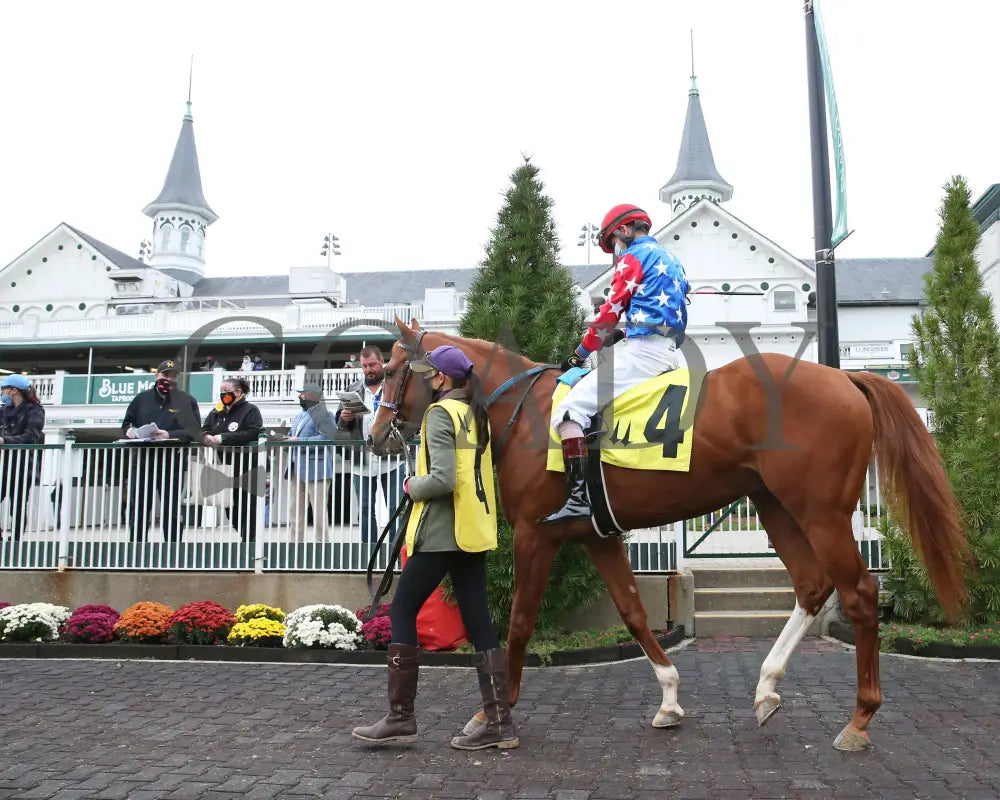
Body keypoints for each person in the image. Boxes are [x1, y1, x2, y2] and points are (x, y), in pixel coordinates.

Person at [352, 345, 518, 750]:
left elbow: (443, 480)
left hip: (442, 530)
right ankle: (500, 722)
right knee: (478, 620)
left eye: (429, 374)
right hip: (471, 530)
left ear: (441, 378)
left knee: (403, 609)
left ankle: (400, 717)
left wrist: (412, 485)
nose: (425, 380)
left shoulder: (441, 413)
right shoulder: (475, 413)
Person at [541, 204, 689, 525]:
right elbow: (656, 309)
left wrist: (580, 354)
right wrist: (623, 332)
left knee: (569, 411)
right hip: (670, 354)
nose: (616, 249)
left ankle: (578, 498)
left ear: (624, 230)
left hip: (644, 355)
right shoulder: (671, 259)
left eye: (614, 242)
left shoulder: (633, 257)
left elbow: (610, 310)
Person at [121, 360, 202, 542]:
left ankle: (173, 548)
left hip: (172, 463)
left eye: (174, 376)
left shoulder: (187, 401)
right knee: (139, 507)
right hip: (143, 462)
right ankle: (137, 546)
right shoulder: (141, 399)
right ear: (157, 376)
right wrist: (129, 431)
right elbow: (126, 423)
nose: (170, 379)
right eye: (166, 375)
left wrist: (169, 434)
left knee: (171, 508)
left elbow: (195, 429)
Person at [336, 346, 405, 542]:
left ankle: (393, 550)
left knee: (395, 508)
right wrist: (344, 419)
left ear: (382, 361)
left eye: (372, 365)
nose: (369, 370)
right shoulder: (352, 389)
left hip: (392, 458)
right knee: (365, 509)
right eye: (365, 366)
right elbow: (340, 426)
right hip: (362, 461)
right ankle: (369, 551)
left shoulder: (395, 385)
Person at [201, 377, 264, 542]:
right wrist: (206, 436)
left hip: (247, 467)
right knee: (231, 508)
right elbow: (205, 429)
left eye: (226, 390)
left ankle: (249, 541)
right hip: (225, 467)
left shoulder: (251, 410)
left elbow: (253, 432)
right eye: (221, 391)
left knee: (248, 505)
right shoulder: (217, 411)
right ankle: (243, 533)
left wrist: (223, 438)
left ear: (238, 392)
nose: (223, 394)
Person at [284, 383, 338, 541]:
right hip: (295, 468)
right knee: (295, 510)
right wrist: (284, 440)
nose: (300, 397)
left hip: (317, 469)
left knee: (319, 510)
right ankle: (295, 543)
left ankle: (322, 545)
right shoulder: (299, 415)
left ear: (313, 396)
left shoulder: (325, 414)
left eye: (303, 394)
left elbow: (328, 438)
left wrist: (300, 441)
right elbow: (292, 435)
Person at [0, 375, 46, 542]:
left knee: (17, 505)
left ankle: (16, 541)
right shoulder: (3, 410)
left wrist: (4, 441)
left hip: (22, 466)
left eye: (3, 389)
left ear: (14, 391)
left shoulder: (35, 410)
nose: (1, 392)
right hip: (2, 464)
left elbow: (31, 437)